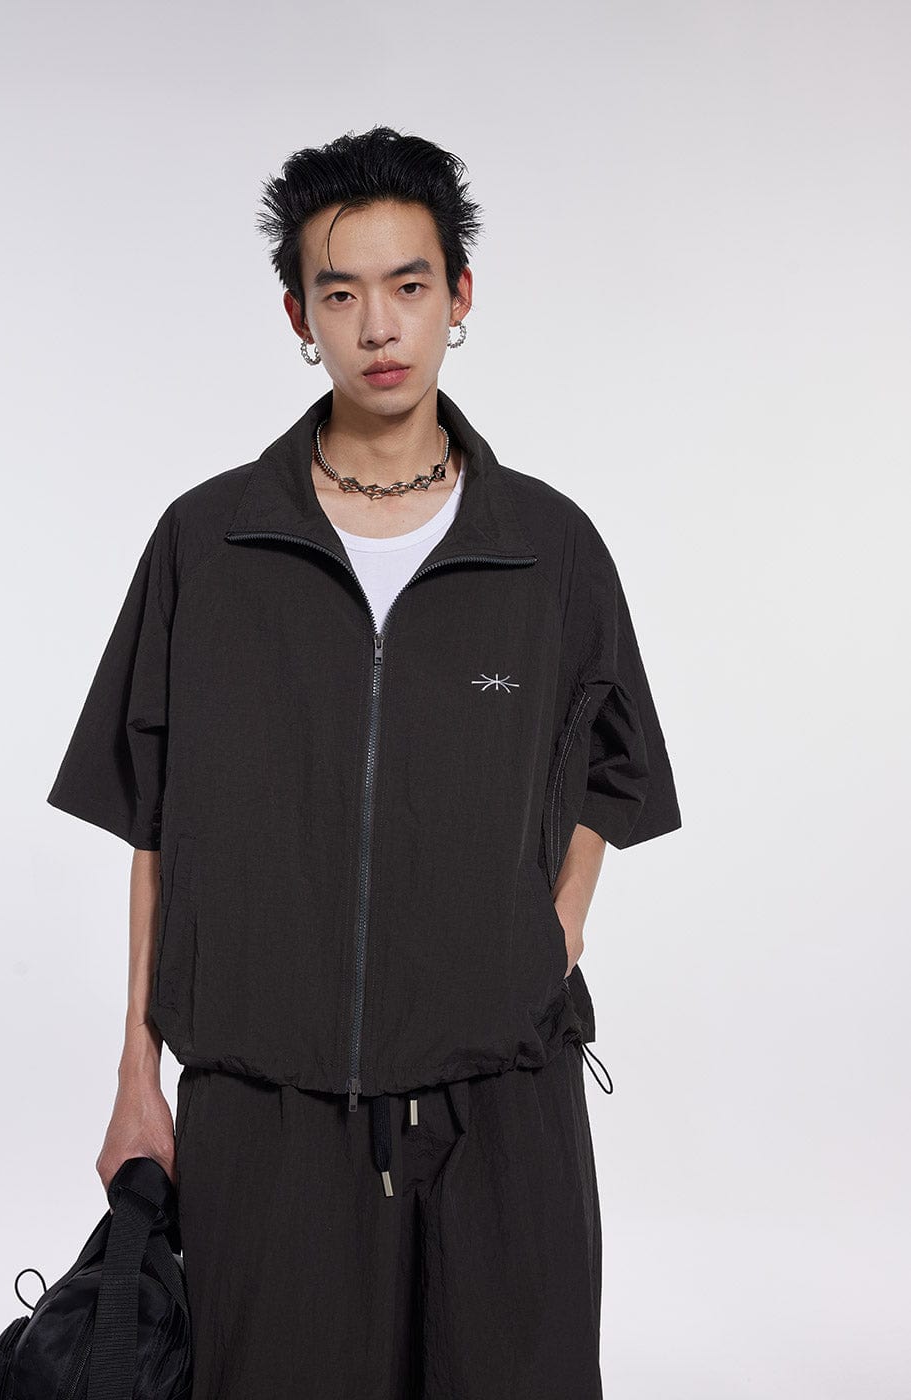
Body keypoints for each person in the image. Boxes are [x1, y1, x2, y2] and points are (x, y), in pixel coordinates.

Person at [46, 126, 681, 1400]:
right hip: (266, 1113)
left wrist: (552, 932)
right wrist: (134, 1076)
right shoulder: (209, 544)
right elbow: (153, 818)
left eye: (408, 285)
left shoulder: (549, 547)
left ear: (459, 295)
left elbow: (611, 771)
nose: (378, 325)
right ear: (299, 315)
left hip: (502, 1105)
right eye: (340, 294)